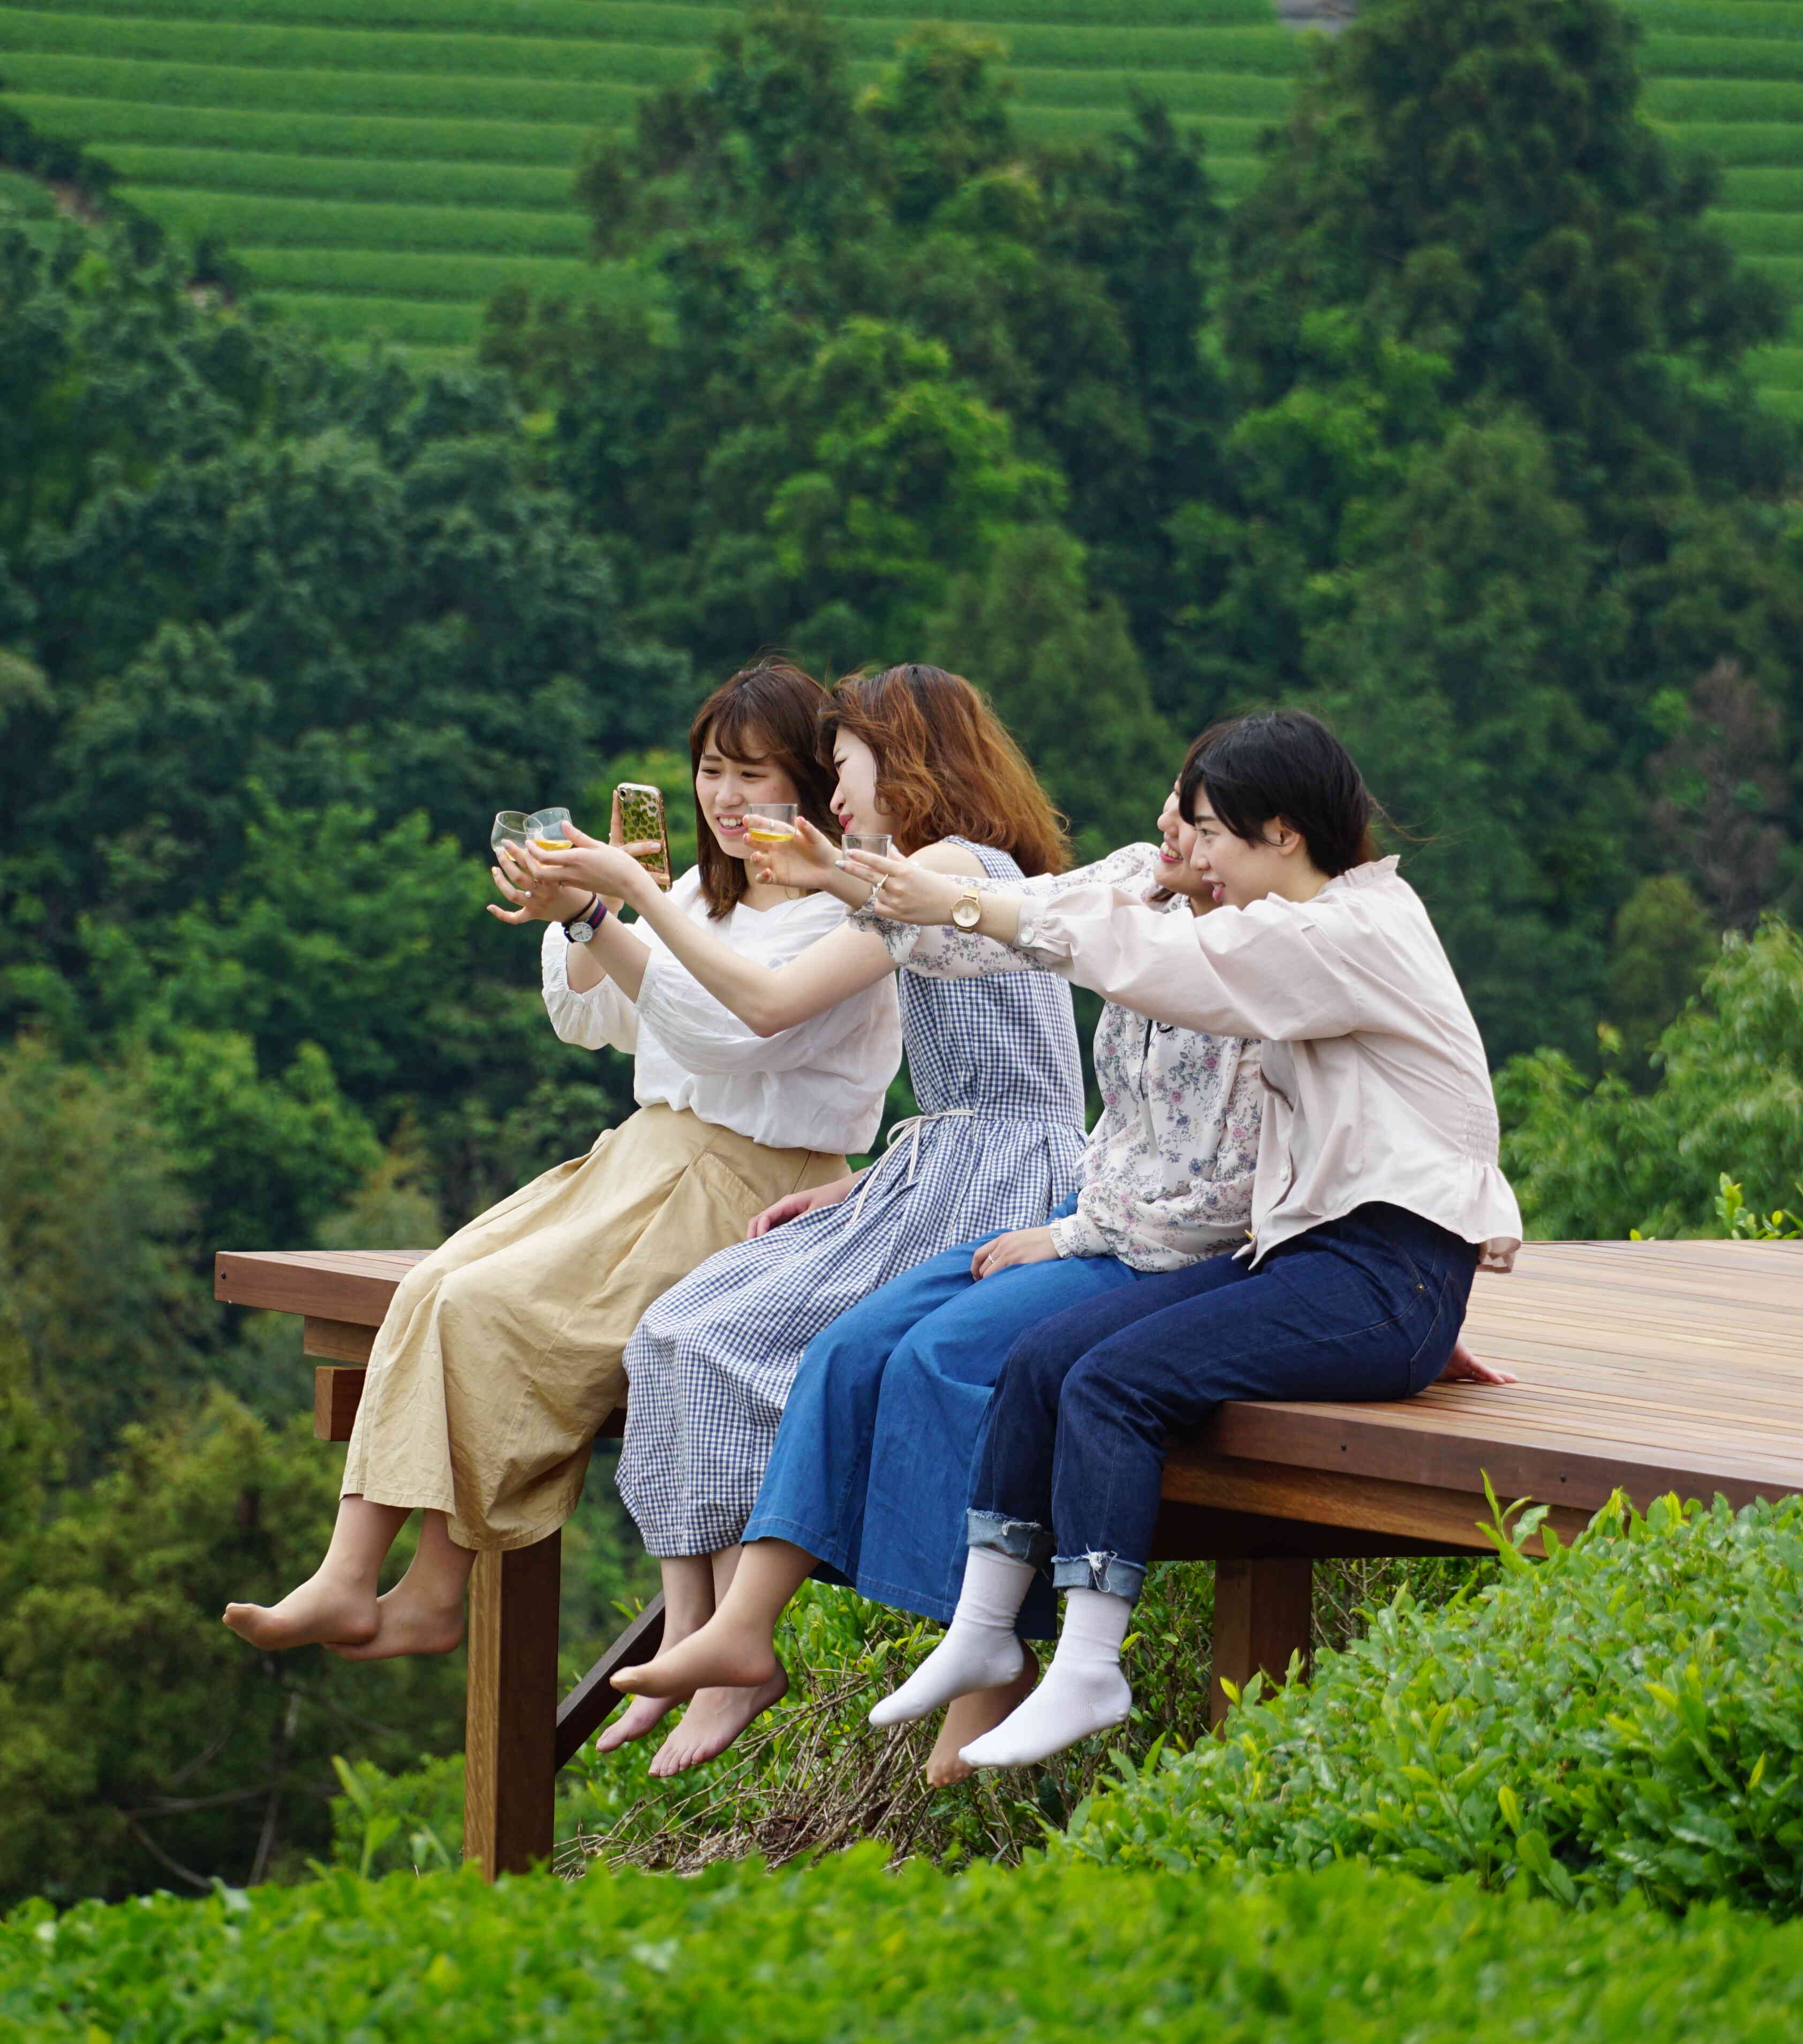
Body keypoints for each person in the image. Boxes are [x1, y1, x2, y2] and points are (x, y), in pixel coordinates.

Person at [847, 708, 1524, 1771]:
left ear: (1284, 832)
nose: (1193, 855)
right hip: (1332, 1271)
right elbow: (1118, 912)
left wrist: (970, 897)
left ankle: (1088, 1658)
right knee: (1043, 1358)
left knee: (1116, 1383)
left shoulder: (1344, 933)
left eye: (1212, 831)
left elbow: (1159, 962)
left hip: (1380, 1276)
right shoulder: (1309, 928)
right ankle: (982, 1633)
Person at [221, 661, 900, 1664]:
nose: (725, 796)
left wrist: (613, 909)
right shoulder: (701, 898)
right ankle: (363, 1578)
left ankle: (422, 1593)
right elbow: (599, 1019)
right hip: (644, 1160)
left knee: (489, 1309)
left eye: (754, 773)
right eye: (712, 769)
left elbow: (733, 1030)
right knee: (437, 1287)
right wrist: (585, 914)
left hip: (754, 1188)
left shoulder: (835, 912)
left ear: (809, 782)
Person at [519, 665, 1084, 1773]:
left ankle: (754, 1639)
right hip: (947, 1155)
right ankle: (700, 1632)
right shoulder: (928, 869)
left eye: (844, 770)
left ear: (904, 763)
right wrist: (610, 909)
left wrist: (625, 900)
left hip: (1003, 1171)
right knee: (674, 1324)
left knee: (741, 1334)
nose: (835, 796)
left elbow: (768, 1003)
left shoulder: (949, 869)